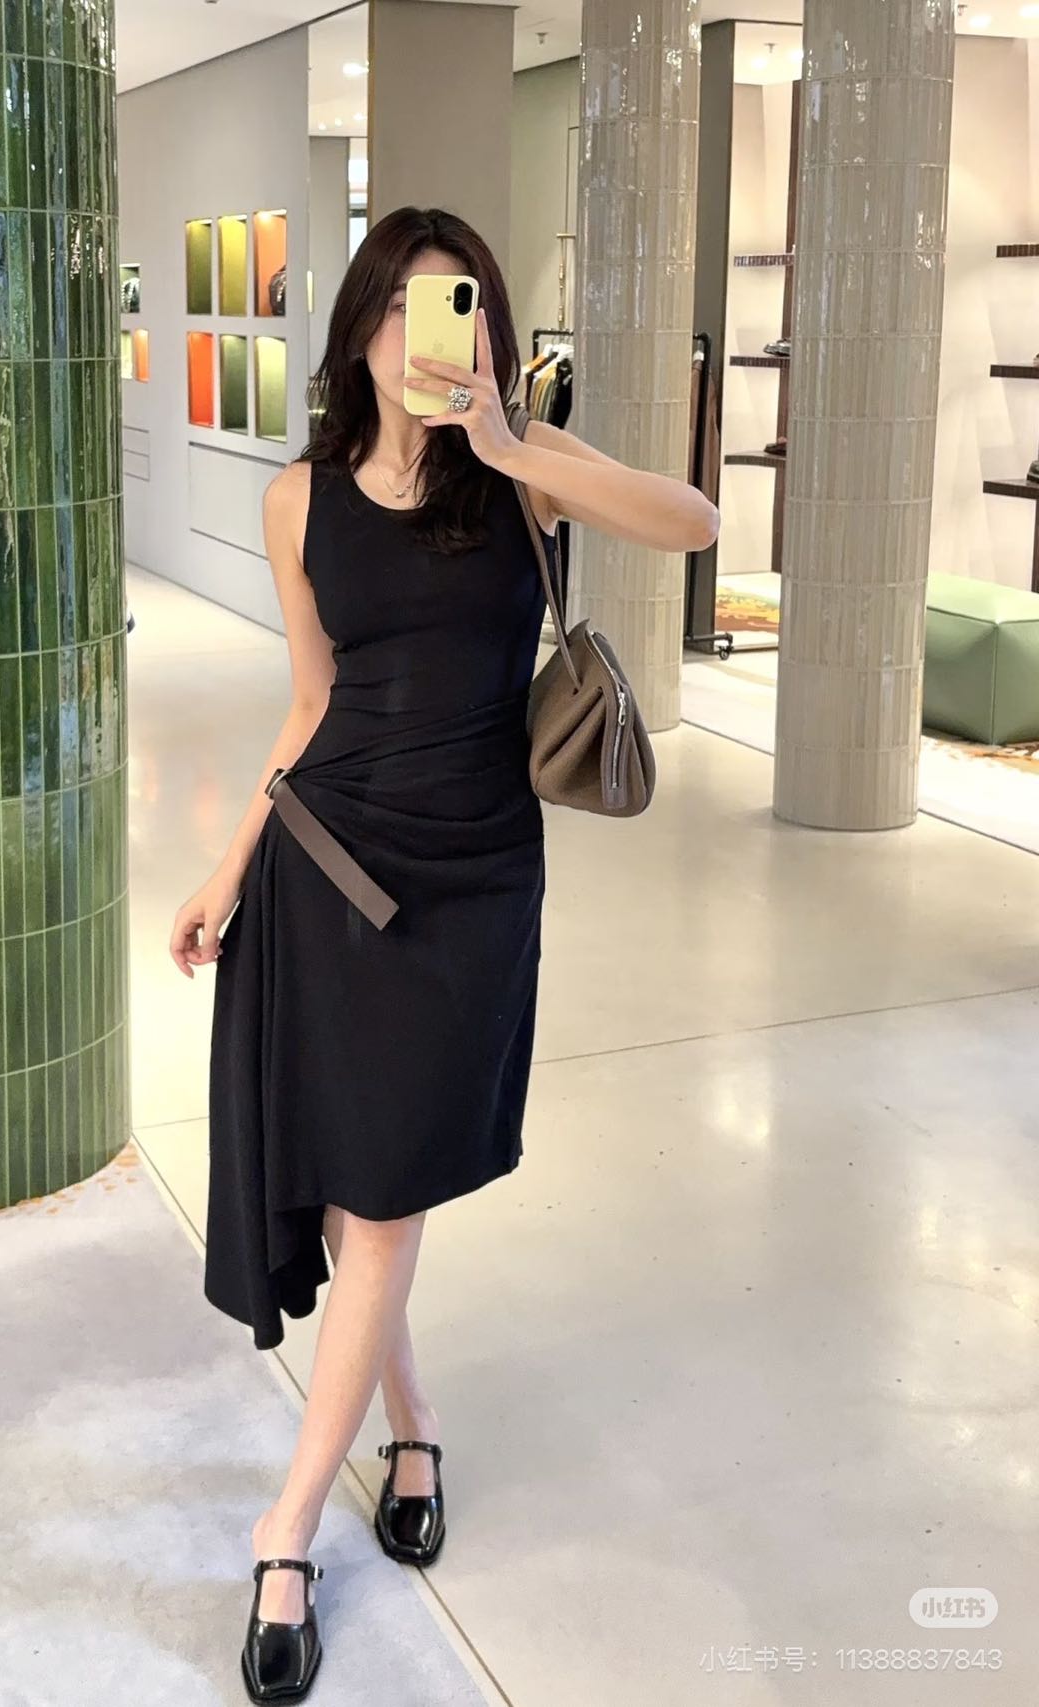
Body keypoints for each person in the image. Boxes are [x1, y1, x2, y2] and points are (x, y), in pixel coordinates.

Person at [168, 205, 719, 1702]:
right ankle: (384, 1456)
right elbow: (309, 704)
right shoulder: (297, 500)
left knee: (388, 1192)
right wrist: (227, 868)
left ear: (483, 329)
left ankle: (296, 1520)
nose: (427, 335)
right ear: (358, 330)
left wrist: (510, 439)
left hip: (473, 878)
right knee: (371, 1205)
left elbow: (691, 522)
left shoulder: (519, 470)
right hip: (330, 862)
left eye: (457, 305)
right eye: (402, 308)